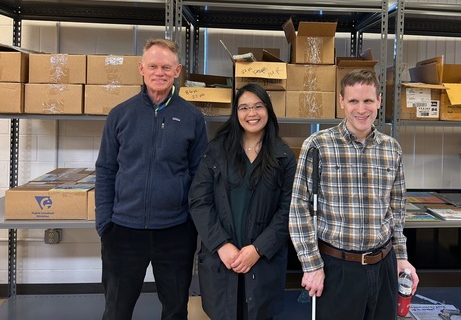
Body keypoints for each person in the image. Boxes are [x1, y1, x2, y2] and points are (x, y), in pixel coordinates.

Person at [289, 68, 419, 320]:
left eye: (368, 100)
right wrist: (311, 265)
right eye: (353, 101)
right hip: (338, 268)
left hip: (383, 266)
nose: (362, 109)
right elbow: (299, 208)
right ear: (341, 102)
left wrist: (401, 257)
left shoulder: (391, 149)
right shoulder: (317, 146)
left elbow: (397, 208)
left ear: (379, 101)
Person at [95, 38, 208, 320]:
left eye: (167, 67)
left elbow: (199, 176)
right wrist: (104, 224)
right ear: (141, 68)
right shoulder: (120, 115)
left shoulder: (192, 117)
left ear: (177, 70)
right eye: (154, 66)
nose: (160, 72)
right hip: (123, 230)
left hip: (175, 231)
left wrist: (191, 225)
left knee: (174, 309)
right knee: (117, 310)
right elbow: (106, 169)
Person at [188, 83, 296, 320]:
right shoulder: (216, 151)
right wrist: (221, 245)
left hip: (262, 261)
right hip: (221, 258)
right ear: (236, 113)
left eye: (258, 106)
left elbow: (288, 210)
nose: (252, 113)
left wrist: (258, 249)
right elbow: (199, 201)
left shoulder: (283, 156)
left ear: (268, 110)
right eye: (244, 107)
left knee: (259, 312)